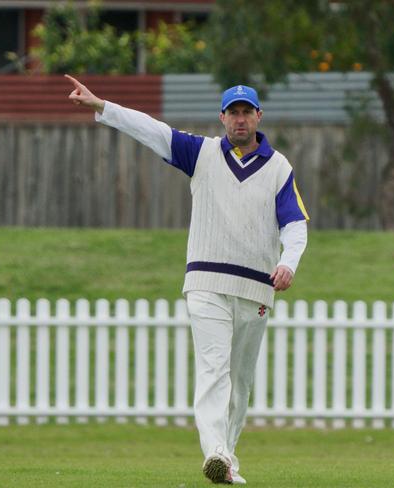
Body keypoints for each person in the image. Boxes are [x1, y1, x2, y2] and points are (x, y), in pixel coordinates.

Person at [65, 75, 308, 485]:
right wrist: (101, 106)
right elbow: (152, 130)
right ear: (222, 117)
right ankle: (214, 452)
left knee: (241, 381)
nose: (240, 120)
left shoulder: (279, 167)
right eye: (233, 113)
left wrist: (289, 262)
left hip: (255, 288)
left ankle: (227, 457)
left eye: (247, 112)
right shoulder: (202, 153)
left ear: (258, 116)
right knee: (214, 370)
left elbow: (295, 225)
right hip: (206, 282)